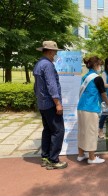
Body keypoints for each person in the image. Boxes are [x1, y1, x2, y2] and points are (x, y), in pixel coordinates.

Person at [33, 40, 68, 170]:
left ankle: (45, 157)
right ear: (50, 51)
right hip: (50, 104)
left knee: (47, 130)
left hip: (42, 104)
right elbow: (52, 86)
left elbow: (36, 87)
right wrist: (58, 103)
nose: (55, 54)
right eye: (54, 52)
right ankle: (54, 160)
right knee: (58, 130)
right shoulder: (47, 65)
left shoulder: (39, 64)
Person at [77, 56, 108, 164]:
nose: (101, 67)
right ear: (96, 65)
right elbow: (103, 94)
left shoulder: (85, 76)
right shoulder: (97, 78)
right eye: (100, 65)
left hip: (81, 107)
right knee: (91, 132)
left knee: (82, 132)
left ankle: (81, 155)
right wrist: (107, 104)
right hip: (91, 108)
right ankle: (92, 158)